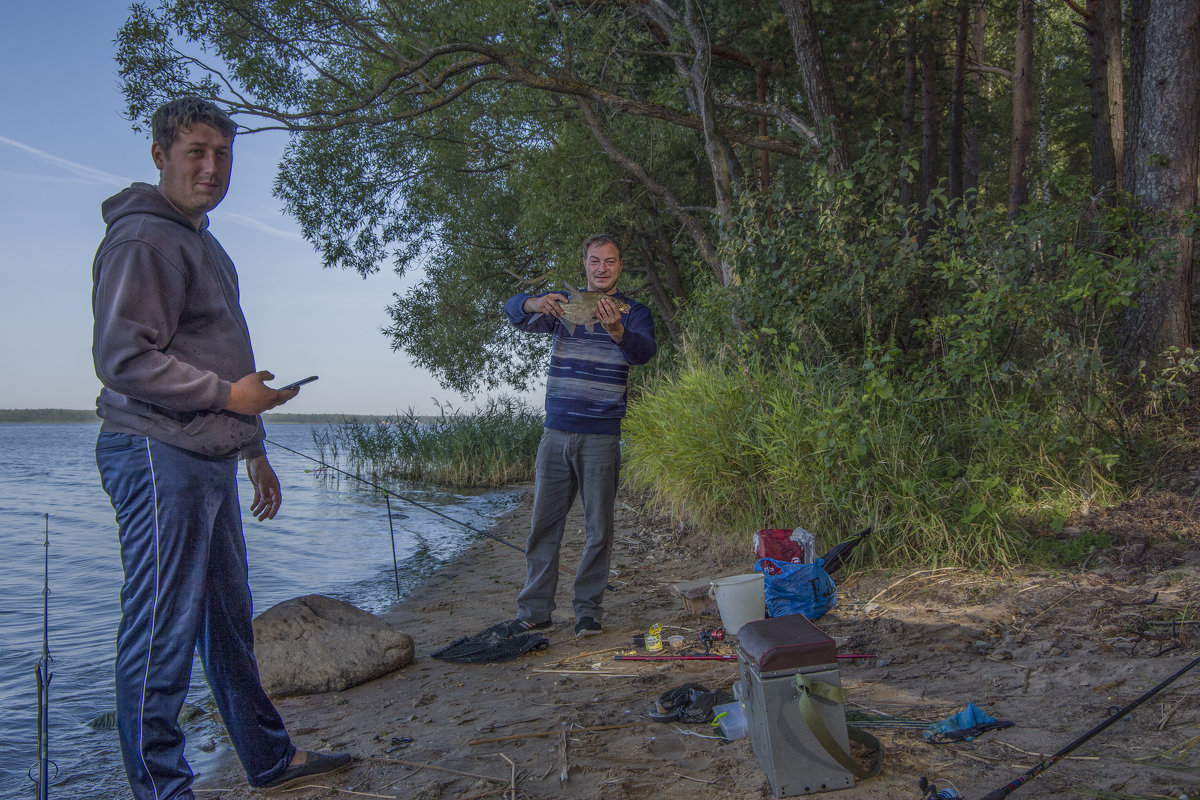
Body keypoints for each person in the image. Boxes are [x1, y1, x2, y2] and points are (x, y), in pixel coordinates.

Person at [92, 97, 351, 799]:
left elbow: (229, 361)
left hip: (208, 453)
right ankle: (162, 789)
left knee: (227, 624)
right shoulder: (144, 240)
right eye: (195, 152)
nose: (211, 167)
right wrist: (230, 400)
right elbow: (123, 359)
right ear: (160, 156)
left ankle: (269, 760)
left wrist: (253, 445)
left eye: (223, 155)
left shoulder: (206, 245)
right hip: (154, 451)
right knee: (162, 630)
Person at [499, 234, 657, 638]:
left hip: (602, 435)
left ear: (620, 265)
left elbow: (643, 353)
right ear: (584, 264)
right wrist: (535, 302)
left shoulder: (633, 312)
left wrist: (618, 330)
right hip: (555, 431)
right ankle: (535, 611)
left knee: (598, 530)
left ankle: (588, 610)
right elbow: (512, 311)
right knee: (543, 526)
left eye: (609, 261)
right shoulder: (561, 305)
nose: (602, 268)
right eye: (594, 261)